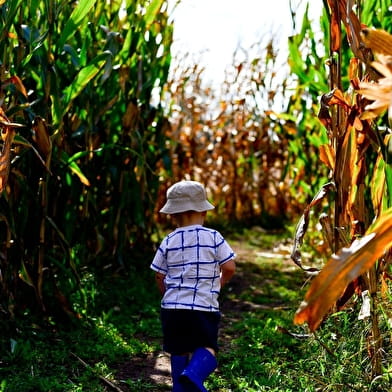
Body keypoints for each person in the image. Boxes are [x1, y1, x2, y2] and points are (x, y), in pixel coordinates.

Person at [150, 180, 236, 392]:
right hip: (203, 307)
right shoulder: (214, 236)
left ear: (173, 216)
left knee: (178, 350)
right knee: (207, 346)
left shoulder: (168, 240)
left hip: (172, 309)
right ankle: (194, 373)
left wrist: (167, 295)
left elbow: (159, 275)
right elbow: (230, 267)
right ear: (203, 212)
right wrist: (220, 282)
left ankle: (180, 386)